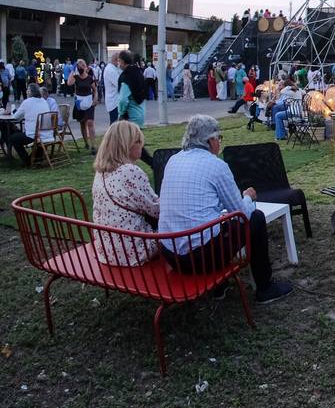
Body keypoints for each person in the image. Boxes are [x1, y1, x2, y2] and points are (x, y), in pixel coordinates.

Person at [158, 115, 292, 304]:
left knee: (211, 227)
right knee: (256, 218)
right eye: (219, 138)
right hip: (201, 259)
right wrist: (248, 197)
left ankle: (219, 286)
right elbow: (242, 214)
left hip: (171, 255)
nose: (219, 143)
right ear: (211, 140)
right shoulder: (216, 165)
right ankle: (265, 287)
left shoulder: (173, 160)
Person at [91, 121, 159, 267]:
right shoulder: (130, 172)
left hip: (107, 252)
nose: (141, 145)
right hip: (134, 252)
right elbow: (157, 210)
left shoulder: (100, 172)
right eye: (138, 141)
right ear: (126, 145)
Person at [7, 84, 53, 165]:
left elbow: (16, 117)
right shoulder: (44, 101)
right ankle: (36, 158)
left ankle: (27, 160)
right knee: (21, 135)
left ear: (30, 92)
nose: (26, 92)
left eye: (27, 90)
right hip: (47, 134)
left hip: (34, 135)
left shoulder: (27, 102)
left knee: (13, 138)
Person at [66, 58, 98, 151]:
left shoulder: (89, 78)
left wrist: (95, 98)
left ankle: (93, 145)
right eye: (78, 67)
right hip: (80, 103)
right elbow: (69, 83)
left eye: (81, 67)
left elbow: (95, 90)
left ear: (85, 67)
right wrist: (73, 70)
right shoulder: (76, 77)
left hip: (89, 102)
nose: (80, 69)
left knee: (90, 122)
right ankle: (86, 143)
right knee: (82, 123)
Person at [117, 51, 147, 126]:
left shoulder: (126, 76)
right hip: (140, 114)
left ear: (122, 61)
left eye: (119, 61)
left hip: (130, 117)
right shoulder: (139, 72)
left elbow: (123, 99)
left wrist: (121, 113)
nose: (118, 64)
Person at [102, 52, 123, 125]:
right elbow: (119, 83)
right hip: (114, 101)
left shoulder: (115, 68)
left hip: (116, 100)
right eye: (120, 60)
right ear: (117, 60)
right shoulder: (110, 70)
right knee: (114, 123)